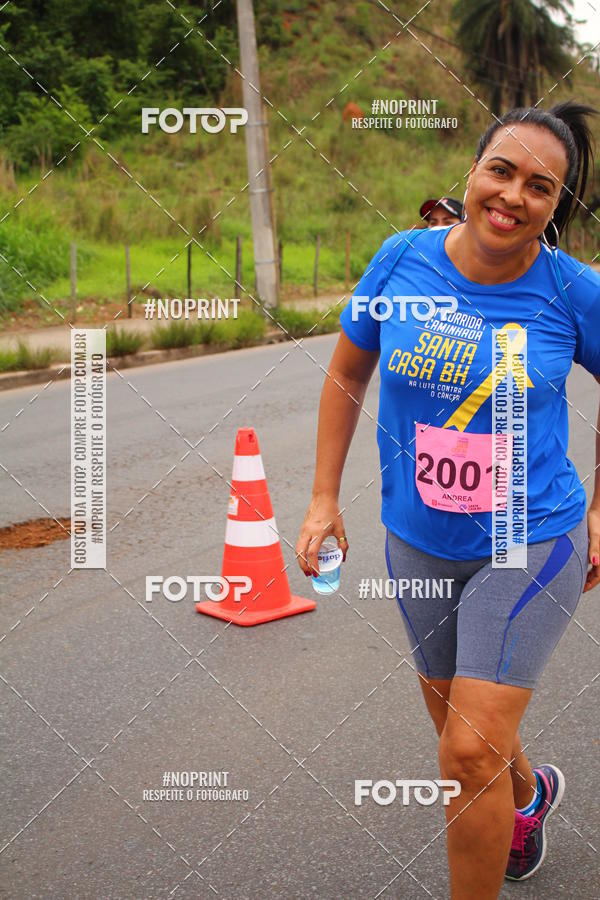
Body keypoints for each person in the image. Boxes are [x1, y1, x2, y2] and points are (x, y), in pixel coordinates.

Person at [296, 101, 600, 898]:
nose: (513, 196)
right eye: (501, 170)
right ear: (471, 171)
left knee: (466, 750)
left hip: (530, 536)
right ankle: (527, 797)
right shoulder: (400, 260)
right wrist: (323, 497)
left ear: (556, 205)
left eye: (540, 186)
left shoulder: (574, 292)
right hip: (419, 538)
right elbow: (347, 371)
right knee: (461, 730)